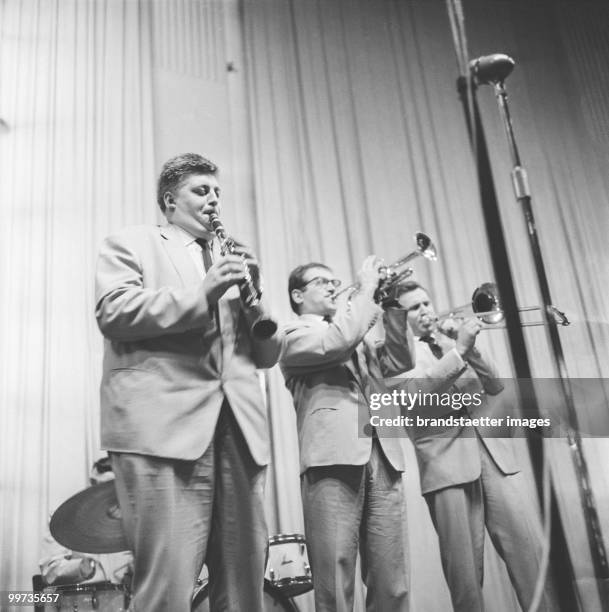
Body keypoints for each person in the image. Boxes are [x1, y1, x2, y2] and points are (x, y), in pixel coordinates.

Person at [95, 153, 282, 612]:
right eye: (202, 190)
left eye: (217, 192)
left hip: (239, 431)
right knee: (167, 588)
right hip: (163, 433)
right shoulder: (132, 243)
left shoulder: (229, 258)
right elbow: (113, 312)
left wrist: (257, 302)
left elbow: (267, 355)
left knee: (245, 590)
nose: (214, 200)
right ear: (169, 200)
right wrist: (203, 292)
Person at [396, 280, 555, 612]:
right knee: (465, 576)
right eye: (414, 307)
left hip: (494, 459)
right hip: (446, 468)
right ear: (399, 317)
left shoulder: (451, 341)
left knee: (530, 557)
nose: (426, 311)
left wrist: (469, 346)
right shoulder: (397, 355)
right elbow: (412, 400)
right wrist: (459, 352)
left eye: (427, 303)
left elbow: (494, 385)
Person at [279, 258, 413, 612]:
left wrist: (392, 304)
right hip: (332, 457)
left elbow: (400, 362)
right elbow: (335, 342)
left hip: (382, 453)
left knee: (392, 580)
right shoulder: (291, 334)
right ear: (297, 295)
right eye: (321, 281)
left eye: (335, 280)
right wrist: (366, 288)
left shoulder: (357, 330)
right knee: (336, 580)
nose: (333, 286)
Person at [39, 457, 132, 588]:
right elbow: (49, 573)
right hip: (81, 603)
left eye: (109, 488)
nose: (101, 495)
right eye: (95, 485)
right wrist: (81, 568)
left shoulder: (135, 522)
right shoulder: (61, 519)